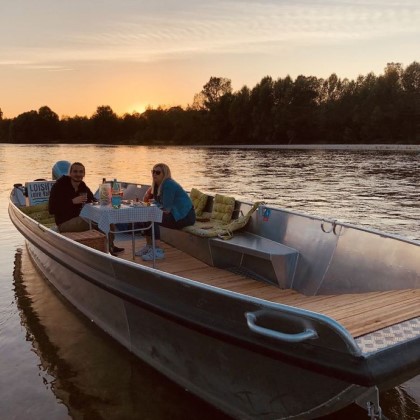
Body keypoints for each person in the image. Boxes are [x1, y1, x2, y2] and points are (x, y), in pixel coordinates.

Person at [48, 161, 124, 255]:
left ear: (84, 174)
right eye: (75, 171)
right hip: (64, 222)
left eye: (81, 172)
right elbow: (51, 209)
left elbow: (93, 199)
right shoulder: (59, 186)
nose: (78, 174)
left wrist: (102, 201)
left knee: (107, 220)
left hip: (82, 217)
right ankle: (106, 251)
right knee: (99, 222)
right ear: (70, 173)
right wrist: (72, 201)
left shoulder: (82, 186)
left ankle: (110, 246)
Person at [136, 163, 195, 261]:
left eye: (157, 172)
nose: (154, 174)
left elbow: (166, 209)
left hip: (185, 216)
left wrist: (151, 208)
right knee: (147, 214)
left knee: (153, 217)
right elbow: (159, 203)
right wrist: (147, 205)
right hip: (174, 214)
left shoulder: (168, 184)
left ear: (164, 174)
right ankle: (149, 246)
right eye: (153, 172)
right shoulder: (157, 185)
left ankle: (157, 251)